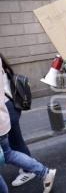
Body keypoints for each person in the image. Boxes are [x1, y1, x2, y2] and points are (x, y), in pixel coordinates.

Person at [0, 54, 56, 193]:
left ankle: (30, 171)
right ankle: (38, 171)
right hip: (7, 109)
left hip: (7, 109)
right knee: (11, 150)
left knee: (14, 146)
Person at [1, 54, 36, 186]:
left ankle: (30, 170)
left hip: (8, 107)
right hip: (10, 106)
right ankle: (29, 166)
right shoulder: (2, 64)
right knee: (14, 141)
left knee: (15, 142)